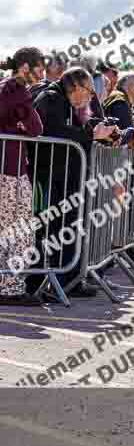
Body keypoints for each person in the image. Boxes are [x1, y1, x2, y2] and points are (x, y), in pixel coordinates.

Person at [31, 67, 119, 297]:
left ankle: (69, 280)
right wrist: (91, 135)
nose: (90, 98)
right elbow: (54, 131)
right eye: (89, 92)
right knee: (53, 229)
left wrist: (100, 130)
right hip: (50, 175)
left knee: (70, 227)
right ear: (77, 87)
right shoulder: (51, 97)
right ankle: (49, 282)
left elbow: (75, 129)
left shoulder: (67, 102)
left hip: (66, 176)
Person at [0, 48, 45, 304]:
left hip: (13, 168)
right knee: (16, 231)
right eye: (39, 67)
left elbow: (32, 127)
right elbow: (36, 128)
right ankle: (10, 289)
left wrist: (20, 125)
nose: (42, 72)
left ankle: (11, 287)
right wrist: (19, 125)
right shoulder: (14, 88)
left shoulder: (10, 87)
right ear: (25, 67)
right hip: (8, 170)